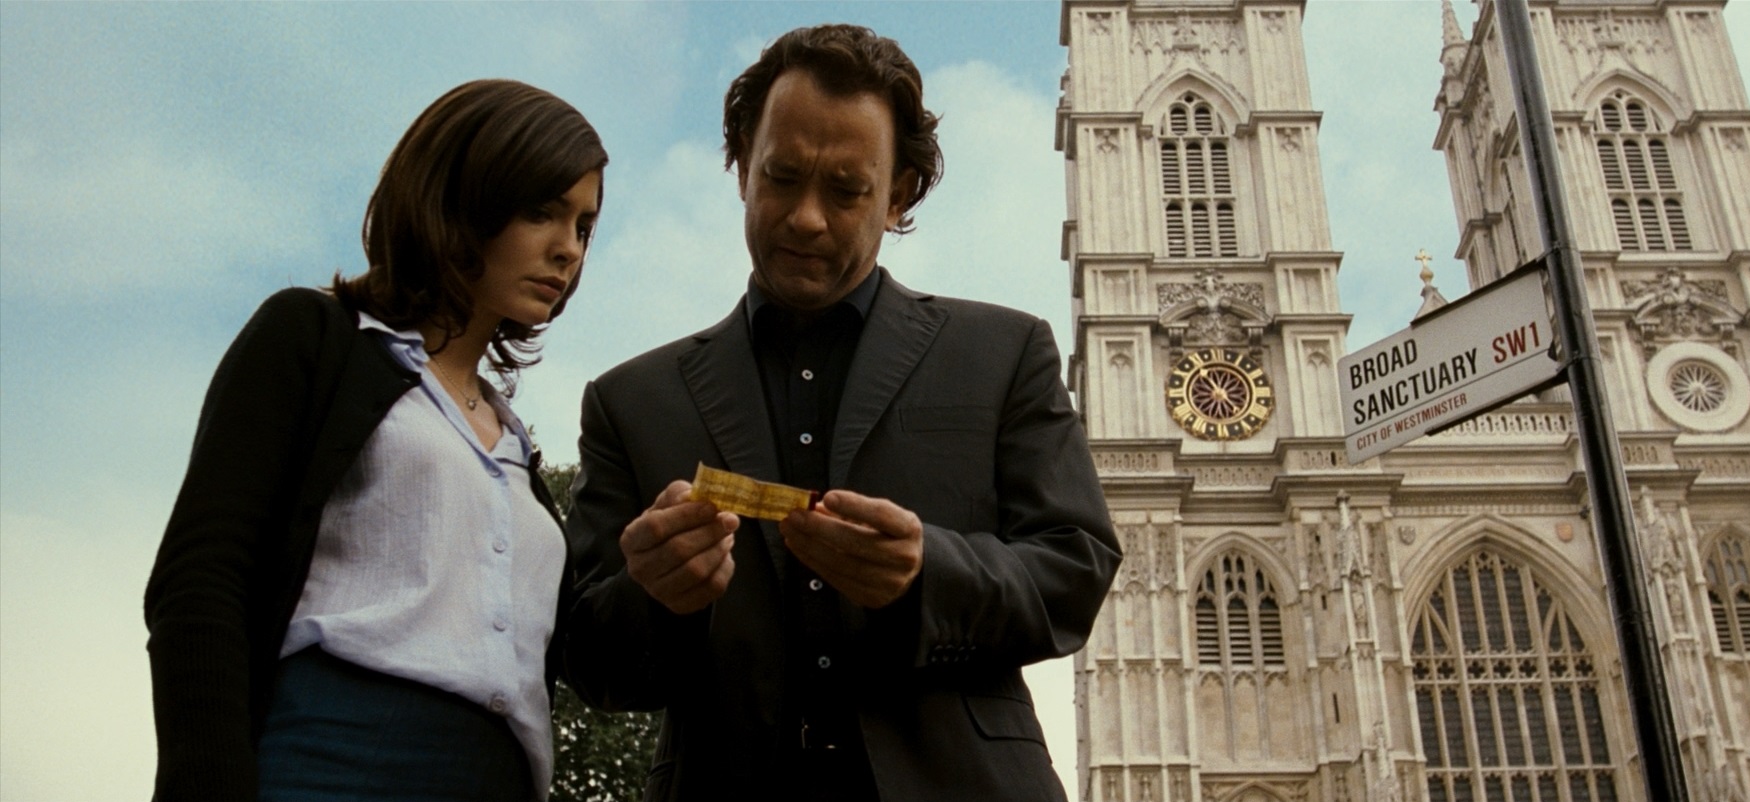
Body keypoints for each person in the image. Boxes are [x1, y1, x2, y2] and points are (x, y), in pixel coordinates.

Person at [561, 23, 1120, 802]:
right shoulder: (629, 402)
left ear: (898, 196)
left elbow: (1076, 570)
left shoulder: (1005, 352)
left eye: (846, 190)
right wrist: (651, 595)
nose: (806, 217)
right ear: (741, 169)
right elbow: (589, 659)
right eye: (782, 177)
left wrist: (928, 571)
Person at [143, 79, 607, 802]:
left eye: (583, 226)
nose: (567, 249)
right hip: (331, 762)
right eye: (542, 211)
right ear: (460, 197)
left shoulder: (518, 454)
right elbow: (201, 578)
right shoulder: (313, 337)